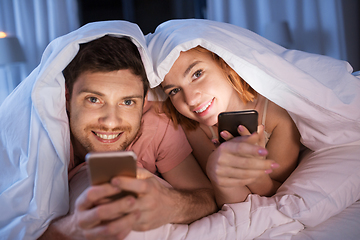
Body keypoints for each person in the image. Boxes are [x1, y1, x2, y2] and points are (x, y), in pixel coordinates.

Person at [143, 18, 360, 239]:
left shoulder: (277, 116)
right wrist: (221, 174)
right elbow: (229, 205)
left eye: (197, 74)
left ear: (224, 65)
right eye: (174, 91)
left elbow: (277, 191)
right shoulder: (194, 128)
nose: (190, 99)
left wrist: (254, 173)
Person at [0, 21, 216, 240]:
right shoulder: (39, 138)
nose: (111, 123)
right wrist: (73, 227)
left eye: (128, 102)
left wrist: (171, 204)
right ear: (67, 98)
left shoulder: (156, 125)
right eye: (94, 100)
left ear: (143, 103)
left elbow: (206, 197)